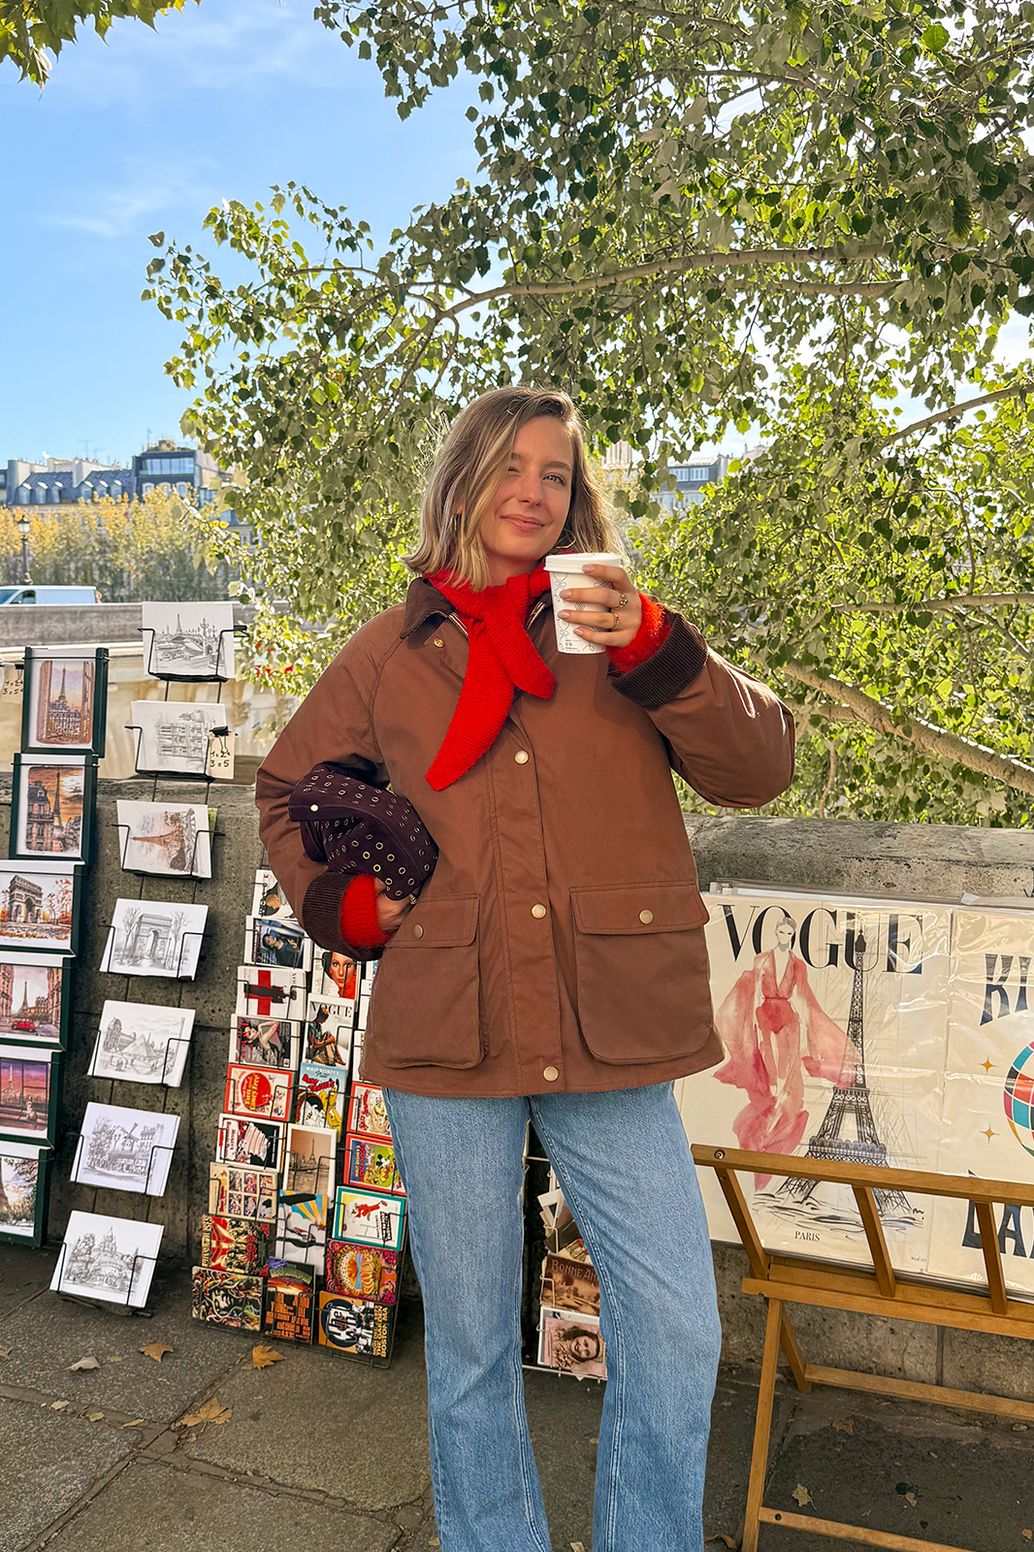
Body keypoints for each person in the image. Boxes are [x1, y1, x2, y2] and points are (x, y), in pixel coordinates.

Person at [256, 384, 795, 1552]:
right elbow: (282, 787)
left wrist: (658, 648)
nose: (532, 492)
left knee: (674, 1326)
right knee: (467, 1341)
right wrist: (347, 903)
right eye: (510, 466)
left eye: (554, 474)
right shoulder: (389, 652)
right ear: (462, 481)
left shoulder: (623, 630)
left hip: (612, 1020)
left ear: (575, 497)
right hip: (449, 1019)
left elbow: (758, 765)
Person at [714, 908, 857, 1183]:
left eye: (789, 934)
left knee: (788, 1081)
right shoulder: (761, 960)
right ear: (776, 933)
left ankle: (775, 1136)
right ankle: (765, 1135)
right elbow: (753, 993)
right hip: (764, 1019)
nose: (785, 937)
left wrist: (812, 1041)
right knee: (770, 1082)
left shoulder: (797, 965)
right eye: (782, 932)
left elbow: (803, 998)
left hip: (789, 1022)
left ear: (792, 936)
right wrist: (752, 1030)